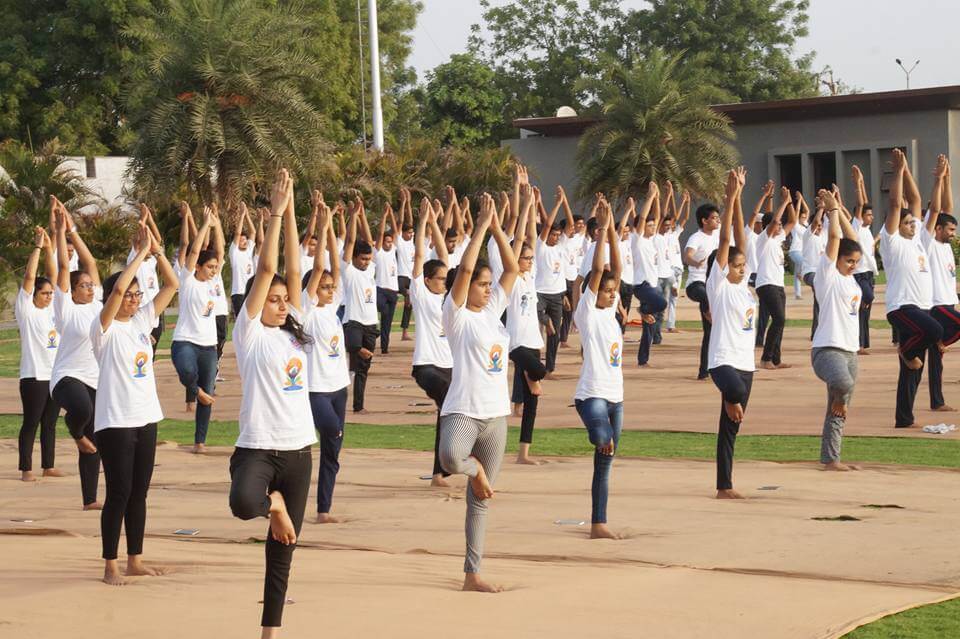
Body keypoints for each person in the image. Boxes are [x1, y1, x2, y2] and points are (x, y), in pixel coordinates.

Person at [228, 169, 315, 638]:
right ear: (257, 305)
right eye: (274, 300)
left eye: (285, 299)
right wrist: (277, 213)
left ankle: (270, 631)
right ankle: (273, 504)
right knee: (245, 505)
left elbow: (293, 269)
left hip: (300, 451)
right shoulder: (251, 334)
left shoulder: (294, 332)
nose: (281, 304)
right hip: (258, 447)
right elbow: (268, 270)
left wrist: (295, 210)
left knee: (284, 549)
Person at [438, 193, 518, 593]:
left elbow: (513, 268)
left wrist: (499, 227)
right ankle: (478, 470)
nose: (487, 289)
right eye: (481, 285)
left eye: (489, 285)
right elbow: (467, 267)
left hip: (496, 416)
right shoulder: (455, 316)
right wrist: (481, 226)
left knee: (480, 502)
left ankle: (473, 573)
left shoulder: (491, 313)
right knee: (453, 458)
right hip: (464, 411)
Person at [93, 219, 178, 586]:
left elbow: (173, 284)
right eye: (128, 294)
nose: (133, 298)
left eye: (135, 294)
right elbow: (114, 296)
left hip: (145, 417)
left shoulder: (143, 321)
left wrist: (157, 252)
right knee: (119, 492)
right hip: (114, 421)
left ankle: (134, 559)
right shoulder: (105, 328)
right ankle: (110, 564)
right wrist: (140, 253)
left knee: (139, 493)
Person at [573, 199, 625, 539]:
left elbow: (615, 272)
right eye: (604, 292)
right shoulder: (587, 312)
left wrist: (615, 234)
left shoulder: (611, 312)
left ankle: (598, 523)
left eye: (611, 292)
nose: (609, 294)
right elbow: (598, 272)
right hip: (590, 396)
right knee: (602, 440)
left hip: (616, 398)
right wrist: (603, 232)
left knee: (604, 463)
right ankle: (598, 523)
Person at [880, 149, 942, 429]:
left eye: (912, 222)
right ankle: (905, 350)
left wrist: (912, 172)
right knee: (935, 332)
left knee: (912, 371)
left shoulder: (917, 239)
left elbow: (915, 199)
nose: (912, 225)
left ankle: (904, 419)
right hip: (902, 307)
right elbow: (896, 203)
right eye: (907, 222)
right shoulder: (892, 241)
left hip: (921, 307)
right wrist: (897, 172)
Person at [50, 199, 104, 510]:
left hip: (95, 378)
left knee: (93, 441)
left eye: (89, 285)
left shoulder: (97, 307)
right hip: (65, 378)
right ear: (71, 291)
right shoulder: (65, 309)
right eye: (83, 285)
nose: (89, 287)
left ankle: (89, 500)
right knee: (81, 411)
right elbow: (61, 267)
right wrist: (59, 233)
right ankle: (74, 430)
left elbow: (91, 263)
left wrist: (73, 229)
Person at [706, 168, 754, 499]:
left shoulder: (745, 289)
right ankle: (731, 398)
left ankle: (725, 485)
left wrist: (741, 197)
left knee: (730, 428)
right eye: (735, 266)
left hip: (745, 363)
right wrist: (730, 196)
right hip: (722, 362)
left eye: (741, 266)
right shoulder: (719, 286)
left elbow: (740, 237)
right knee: (733, 394)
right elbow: (726, 240)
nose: (740, 269)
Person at [302, 202, 351, 523]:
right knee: (329, 432)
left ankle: (323, 509)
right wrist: (322, 224)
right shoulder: (306, 311)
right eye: (325, 287)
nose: (331, 291)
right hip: (316, 389)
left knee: (333, 451)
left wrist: (333, 227)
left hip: (339, 388)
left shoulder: (333, 310)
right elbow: (320, 266)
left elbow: (334, 262)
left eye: (333, 287)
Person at [810, 190, 864, 471]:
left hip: (850, 352)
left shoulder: (852, 282)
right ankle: (838, 399)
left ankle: (831, 459)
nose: (853, 266)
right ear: (836, 260)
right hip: (826, 350)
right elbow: (836, 239)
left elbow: (852, 241)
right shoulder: (827, 276)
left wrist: (841, 210)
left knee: (839, 409)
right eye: (848, 261)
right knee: (843, 386)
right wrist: (832, 211)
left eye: (856, 262)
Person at [409, 199, 453, 487]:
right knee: (448, 403)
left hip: (449, 365)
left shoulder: (446, 296)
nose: (444, 282)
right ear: (426, 280)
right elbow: (419, 256)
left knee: (449, 411)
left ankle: (443, 468)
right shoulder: (421, 293)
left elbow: (445, 257)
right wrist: (423, 222)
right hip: (426, 365)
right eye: (439, 279)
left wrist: (437, 223)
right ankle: (442, 469)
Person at [170, 205, 219, 453]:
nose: (213, 270)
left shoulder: (214, 283)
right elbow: (195, 250)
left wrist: (216, 225)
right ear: (198, 266)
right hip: (186, 341)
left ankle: (200, 441)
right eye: (209, 267)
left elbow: (217, 249)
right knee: (187, 372)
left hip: (208, 346)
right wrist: (203, 226)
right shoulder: (188, 281)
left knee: (208, 394)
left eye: (215, 267)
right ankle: (195, 390)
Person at [17, 223, 61, 482]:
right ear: (33, 294)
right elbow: (29, 278)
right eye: (44, 293)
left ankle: (48, 465)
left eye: (50, 294)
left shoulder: (52, 311)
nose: (48, 296)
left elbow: (53, 276)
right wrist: (36, 247)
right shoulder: (26, 309)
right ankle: (26, 469)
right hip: (34, 376)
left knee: (51, 424)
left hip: (54, 376)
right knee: (31, 422)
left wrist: (49, 249)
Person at [508, 185, 547, 465]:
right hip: (515, 342)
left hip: (534, 341)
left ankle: (523, 453)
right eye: (525, 258)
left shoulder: (530, 277)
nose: (530, 262)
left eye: (532, 258)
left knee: (532, 404)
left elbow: (531, 236)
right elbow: (521, 235)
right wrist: (522, 202)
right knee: (538, 372)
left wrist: (533, 202)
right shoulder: (510, 278)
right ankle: (531, 378)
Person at [921, 155, 960, 413]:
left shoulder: (946, 246)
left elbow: (947, 207)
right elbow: (937, 209)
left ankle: (937, 401)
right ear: (936, 229)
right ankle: (940, 340)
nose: (953, 234)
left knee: (936, 361)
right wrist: (937, 180)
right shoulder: (929, 241)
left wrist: (947, 177)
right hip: (935, 305)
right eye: (950, 230)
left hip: (948, 300)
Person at [341, 198, 379, 414]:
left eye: (368, 258)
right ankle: (357, 351)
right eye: (362, 258)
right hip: (353, 321)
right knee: (355, 348)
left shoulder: (371, 269)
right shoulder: (349, 270)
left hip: (371, 323)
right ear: (354, 258)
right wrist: (353, 217)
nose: (366, 261)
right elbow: (349, 242)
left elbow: (370, 241)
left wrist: (363, 215)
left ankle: (358, 406)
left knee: (363, 369)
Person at [755, 187, 797, 369]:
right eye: (777, 225)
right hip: (766, 284)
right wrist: (783, 203)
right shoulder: (763, 239)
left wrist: (790, 204)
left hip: (778, 285)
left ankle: (775, 359)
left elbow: (793, 221)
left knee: (780, 322)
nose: (780, 227)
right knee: (779, 319)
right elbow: (775, 221)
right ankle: (765, 359)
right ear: (767, 225)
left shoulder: (778, 240)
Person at [684, 201, 722, 379]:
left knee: (709, 333)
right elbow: (688, 256)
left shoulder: (719, 235)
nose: (717, 220)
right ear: (704, 220)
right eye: (714, 218)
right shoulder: (696, 237)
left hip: (713, 286)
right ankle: (711, 313)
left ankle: (704, 371)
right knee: (706, 296)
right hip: (696, 284)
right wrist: (695, 262)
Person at [631, 184, 667, 366]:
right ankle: (641, 311)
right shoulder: (637, 240)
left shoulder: (652, 240)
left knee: (650, 326)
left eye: (654, 226)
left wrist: (658, 198)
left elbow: (657, 216)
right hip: (641, 285)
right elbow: (644, 217)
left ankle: (643, 360)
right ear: (640, 226)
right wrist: (650, 197)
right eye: (649, 225)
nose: (653, 227)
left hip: (653, 285)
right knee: (662, 303)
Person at [534, 186, 568, 377]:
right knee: (541, 319)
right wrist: (555, 204)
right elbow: (547, 225)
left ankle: (550, 368)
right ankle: (545, 322)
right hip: (540, 292)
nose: (555, 237)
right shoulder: (541, 247)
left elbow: (567, 226)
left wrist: (563, 295)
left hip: (557, 294)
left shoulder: (560, 247)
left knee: (553, 334)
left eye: (557, 235)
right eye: (552, 235)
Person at [851, 166, 878, 354]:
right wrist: (857, 183)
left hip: (869, 273)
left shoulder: (867, 230)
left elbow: (866, 203)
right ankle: (857, 343)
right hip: (859, 274)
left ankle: (861, 345)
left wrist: (863, 183)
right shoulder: (857, 226)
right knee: (867, 299)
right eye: (868, 215)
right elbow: (861, 204)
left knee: (865, 313)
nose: (871, 216)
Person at [374, 203, 401, 354]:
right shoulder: (378, 252)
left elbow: (396, 232)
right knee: (383, 311)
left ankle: (384, 348)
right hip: (380, 290)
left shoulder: (393, 250)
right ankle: (373, 331)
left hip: (393, 291)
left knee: (388, 322)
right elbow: (379, 234)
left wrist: (391, 214)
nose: (389, 244)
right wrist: (384, 217)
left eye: (391, 242)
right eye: (387, 241)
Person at [395, 186, 416, 342]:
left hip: (411, 278)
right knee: (408, 296)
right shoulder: (400, 242)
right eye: (408, 232)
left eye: (412, 232)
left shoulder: (412, 243)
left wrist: (409, 202)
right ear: (403, 233)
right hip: (401, 278)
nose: (411, 234)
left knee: (410, 304)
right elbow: (402, 221)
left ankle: (404, 332)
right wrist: (403, 203)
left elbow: (410, 220)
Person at [230, 202, 258, 318]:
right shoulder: (234, 252)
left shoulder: (248, 251)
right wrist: (241, 216)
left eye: (245, 240)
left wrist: (247, 216)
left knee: (252, 319)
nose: (245, 242)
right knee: (241, 321)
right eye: (241, 240)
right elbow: (237, 233)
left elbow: (253, 232)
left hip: (250, 291)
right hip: (238, 293)